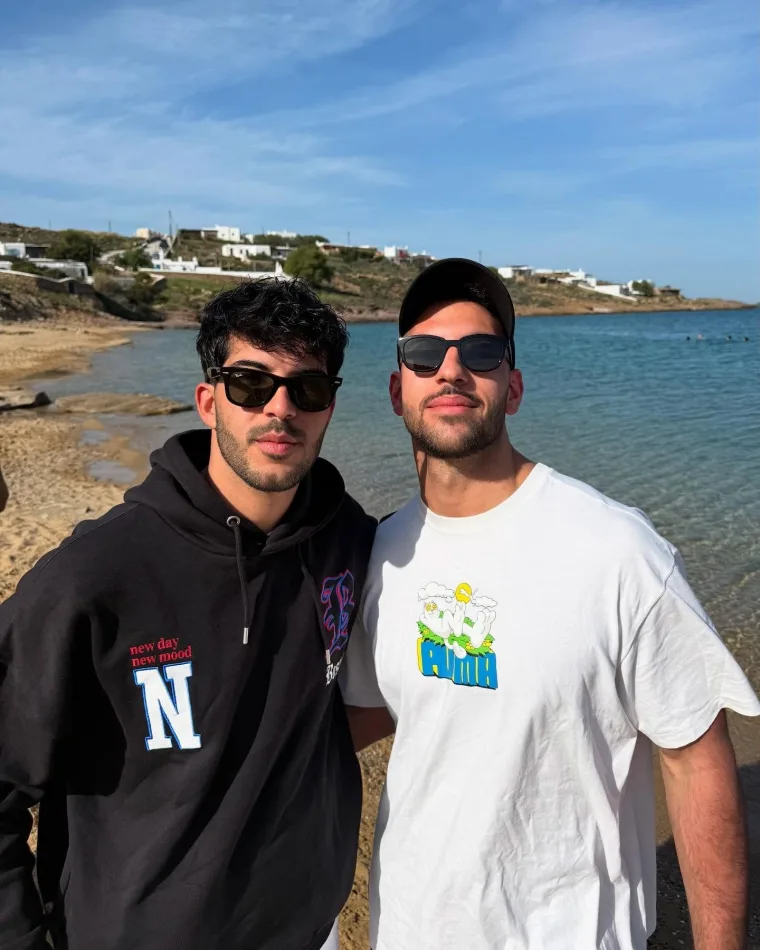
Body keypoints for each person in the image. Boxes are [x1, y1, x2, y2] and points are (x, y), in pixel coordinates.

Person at [343, 258, 760, 950]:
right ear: (396, 390)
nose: (452, 371)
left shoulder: (616, 551)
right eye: (424, 354)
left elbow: (694, 759)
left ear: (513, 388)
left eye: (481, 353)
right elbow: (370, 707)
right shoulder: (382, 553)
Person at [0, 278, 376, 950]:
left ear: (330, 407)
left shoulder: (349, 542)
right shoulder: (90, 579)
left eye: (308, 389)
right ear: (208, 401)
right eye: (250, 384)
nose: (280, 408)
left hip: (305, 931)